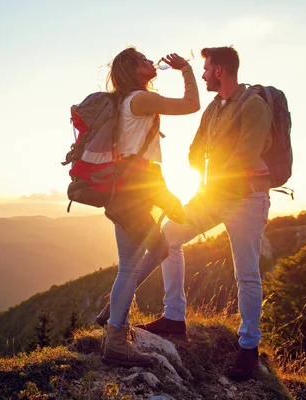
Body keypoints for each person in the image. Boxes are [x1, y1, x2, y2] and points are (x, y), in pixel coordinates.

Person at [97, 46, 272, 380]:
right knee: (168, 239)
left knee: (246, 273)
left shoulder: (254, 106)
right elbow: (195, 149)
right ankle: (174, 316)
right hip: (213, 197)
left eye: (206, 69)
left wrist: (218, 174)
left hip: (248, 199)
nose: (204, 74)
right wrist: (205, 177)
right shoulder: (214, 109)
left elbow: (246, 157)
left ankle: (249, 347)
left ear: (219, 70)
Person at [101, 47, 200, 367]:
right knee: (149, 254)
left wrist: (163, 195)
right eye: (143, 59)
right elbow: (191, 105)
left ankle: (112, 318)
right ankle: (115, 338)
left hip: (122, 191)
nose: (150, 61)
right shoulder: (139, 100)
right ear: (132, 68)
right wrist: (185, 69)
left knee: (135, 261)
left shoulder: (124, 102)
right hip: (131, 194)